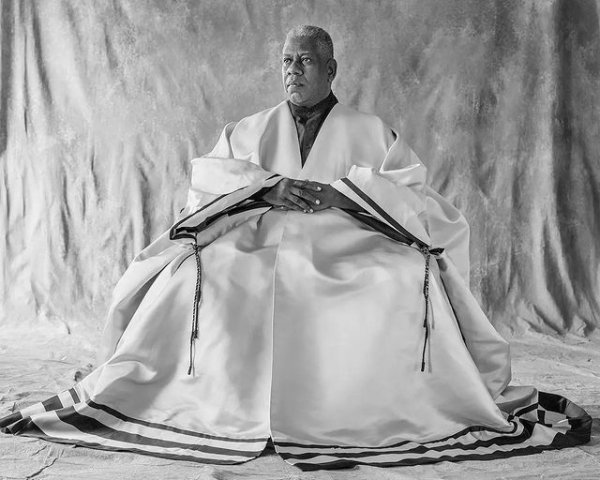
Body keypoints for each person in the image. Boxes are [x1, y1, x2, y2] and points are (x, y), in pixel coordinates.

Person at [0, 25, 591, 471]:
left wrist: (345, 195)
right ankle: (209, 402)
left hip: (348, 238)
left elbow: (411, 192)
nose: (293, 69)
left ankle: (359, 410)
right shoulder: (249, 129)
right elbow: (209, 183)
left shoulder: (370, 130)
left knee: (397, 276)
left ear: (331, 69)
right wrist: (267, 187)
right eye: (286, 60)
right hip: (258, 236)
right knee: (200, 272)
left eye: (305, 60)